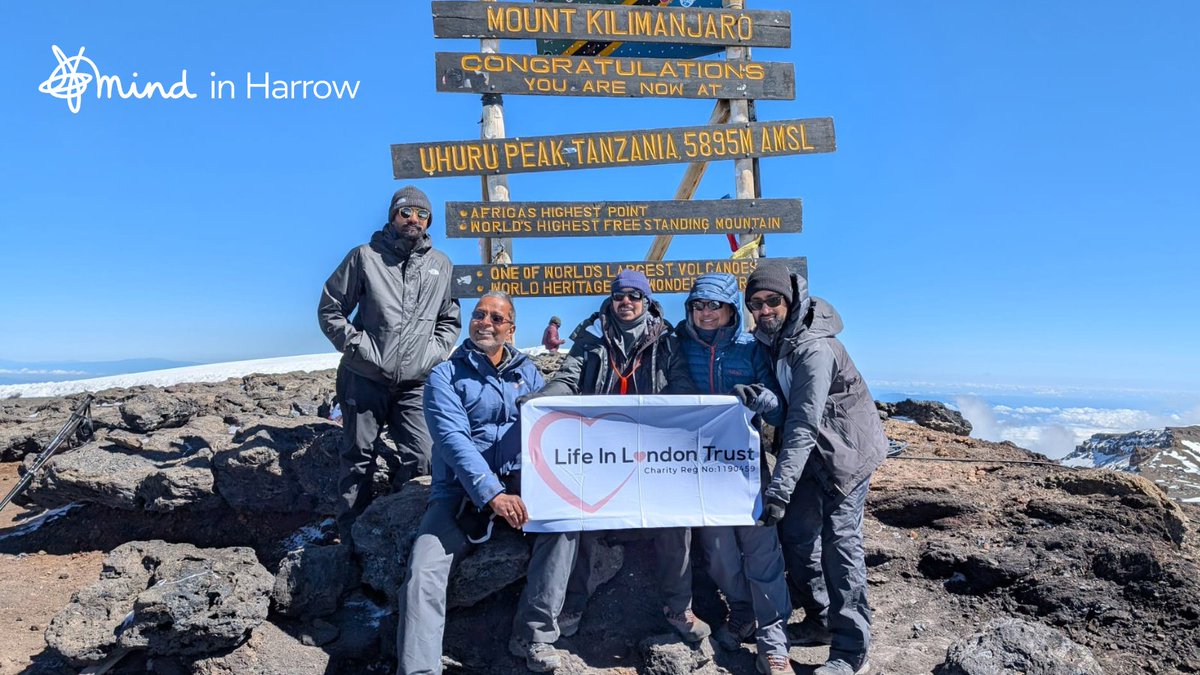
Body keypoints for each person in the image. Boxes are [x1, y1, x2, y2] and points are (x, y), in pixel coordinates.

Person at [396, 291, 578, 674]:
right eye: (480, 315)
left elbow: (545, 426)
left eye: (497, 318)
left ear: (510, 329)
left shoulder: (529, 374)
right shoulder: (444, 375)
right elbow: (452, 439)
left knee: (565, 526)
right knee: (423, 571)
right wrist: (491, 492)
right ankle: (420, 670)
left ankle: (533, 635)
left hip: (518, 483)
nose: (486, 323)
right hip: (458, 492)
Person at [533, 270, 708, 642]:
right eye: (619, 296)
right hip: (601, 451)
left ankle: (678, 606)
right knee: (577, 513)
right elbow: (569, 377)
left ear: (646, 301)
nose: (625, 302)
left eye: (634, 296)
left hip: (652, 451)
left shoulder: (667, 340)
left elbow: (680, 385)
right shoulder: (592, 337)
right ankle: (573, 603)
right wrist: (542, 400)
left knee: (676, 517)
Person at [745, 262, 888, 675]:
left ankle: (849, 651)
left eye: (773, 301)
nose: (765, 309)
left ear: (791, 301)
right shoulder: (774, 340)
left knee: (840, 546)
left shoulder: (813, 347)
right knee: (796, 535)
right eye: (756, 303)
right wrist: (765, 402)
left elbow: (803, 424)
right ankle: (822, 618)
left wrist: (779, 490)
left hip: (846, 455)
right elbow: (789, 408)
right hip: (812, 454)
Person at [317, 185, 460, 543]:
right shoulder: (365, 257)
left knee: (425, 457)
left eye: (421, 214)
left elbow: (450, 318)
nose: (413, 219)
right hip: (363, 377)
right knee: (358, 458)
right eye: (405, 212)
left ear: (429, 221)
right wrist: (358, 348)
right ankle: (352, 538)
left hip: (415, 383)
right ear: (392, 216)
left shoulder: (441, 264)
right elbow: (330, 309)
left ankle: (404, 532)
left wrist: (434, 353)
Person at [675, 273, 793, 675]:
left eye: (715, 305)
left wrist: (763, 399)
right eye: (698, 306)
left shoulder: (750, 347)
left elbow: (778, 407)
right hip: (698, 468)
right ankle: (742, 612)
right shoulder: (678, 346)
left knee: (761, 550)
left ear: (730, 310)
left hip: (746, 465)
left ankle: (774, 643)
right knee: (720, 552)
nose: (706, 313)